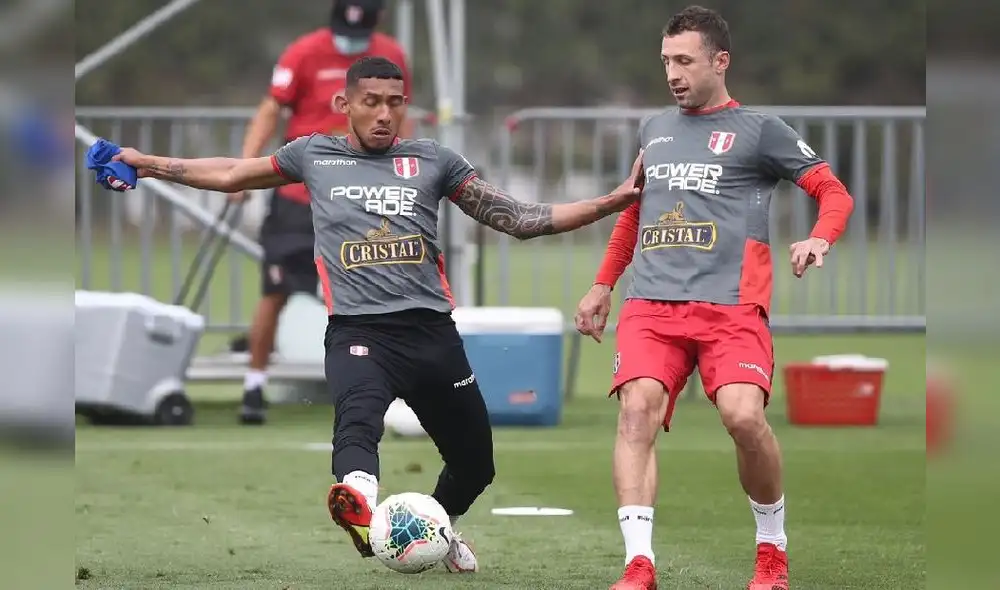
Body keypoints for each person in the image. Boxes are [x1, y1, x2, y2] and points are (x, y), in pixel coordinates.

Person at [110, 56, 643, 573]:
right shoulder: (312, 155)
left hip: (432, 334)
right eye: (371, 103)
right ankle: (358, 502)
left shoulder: (434, 160)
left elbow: (518, 217)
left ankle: (438, 528)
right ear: (345, 104)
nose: (384, 114)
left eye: (394, 103)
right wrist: (149, 164)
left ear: (405, 105)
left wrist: (609, 202)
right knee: (357, 422)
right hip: (358, 332)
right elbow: (231, 172)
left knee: (477, 465)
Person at [573, 7, 855, 590]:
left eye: (684, 61)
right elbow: (635, 212)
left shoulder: (760, 129)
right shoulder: (654, 130)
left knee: (744, 418)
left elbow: (832, 191)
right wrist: (603, 284)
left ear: (719, 61)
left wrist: (819, 238)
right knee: (635, 414)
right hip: (651, 305)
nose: (672, 74)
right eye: (665, 62)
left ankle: (771, 549)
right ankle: (638, 563)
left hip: (731, 306)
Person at [232, 0, 412, 425]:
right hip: (298, 197)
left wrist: (406, 176)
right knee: (275, 290)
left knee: (377, 292)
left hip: (360, 198)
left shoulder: (391, 55)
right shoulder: (303, 52)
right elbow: (271, 108)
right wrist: (245, 165)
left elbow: (400, 118)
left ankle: (385, 387)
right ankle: (254, 385)